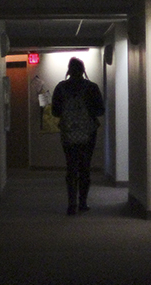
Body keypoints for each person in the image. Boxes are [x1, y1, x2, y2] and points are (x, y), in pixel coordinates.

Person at [51, 57, 104, 215]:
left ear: (69, 70)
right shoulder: (92, 87)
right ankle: (83, 202)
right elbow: (100, 111)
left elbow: (55, 112)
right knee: (85, 168)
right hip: (88, 133)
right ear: (83, 70)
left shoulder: (61, 87)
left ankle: (71, 203)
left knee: (71, 168)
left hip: (68, 134)